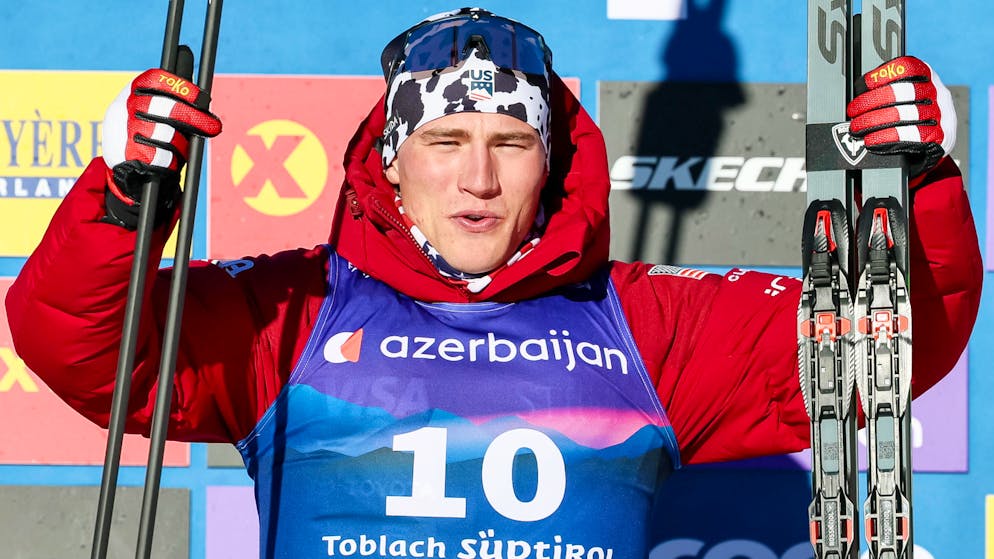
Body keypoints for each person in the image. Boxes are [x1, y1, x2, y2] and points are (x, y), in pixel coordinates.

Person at [6, 7, 981, 559]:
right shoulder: (292, 310)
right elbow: (92, 352)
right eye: (446, 142)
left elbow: (880, 352)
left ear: (550, 161)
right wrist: (126, 199)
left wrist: (919, 181)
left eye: (512, 143)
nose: (477, 178)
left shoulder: (648, 319)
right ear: (388, 161)